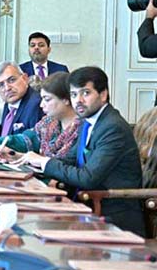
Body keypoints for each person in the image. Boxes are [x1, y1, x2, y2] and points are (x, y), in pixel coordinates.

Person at [15, 67, 145, 236]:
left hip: (111, 215)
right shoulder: (88, 121)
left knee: (34, 230)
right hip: (86, 204)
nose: (78, 100)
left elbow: (87, 178)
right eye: (74, 94)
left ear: (103, 95)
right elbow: (69, 160)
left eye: (86, 93)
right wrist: (29, 164)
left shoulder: (113, 128)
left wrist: (45, 162)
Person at [0, 72, 78, 156]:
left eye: (47, 99)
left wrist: (39, 161)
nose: (42, 104)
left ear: (66, 99)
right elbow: (24, 140)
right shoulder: (49, 122)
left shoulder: (82, 130)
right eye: (0, 85)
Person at [0, 61, 43, 137]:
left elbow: (34, 140)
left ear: (25, 78)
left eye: (11, 80)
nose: (7, 88)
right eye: (1, 85)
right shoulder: (8, 105)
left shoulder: (36, 104)